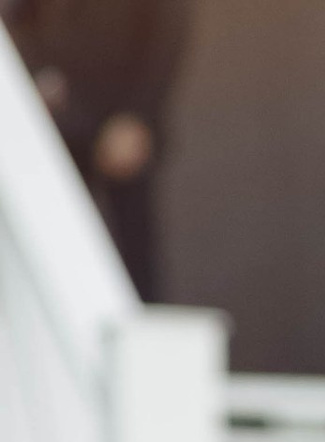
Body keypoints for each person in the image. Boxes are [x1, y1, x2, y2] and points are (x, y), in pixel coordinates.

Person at [4, 0, 188, 294]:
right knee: (58, 244)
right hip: (62, 126)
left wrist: (137, 114)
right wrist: (40, 75)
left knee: (134, 250)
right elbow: (19, 20)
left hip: (123, 119)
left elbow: (168, 32)